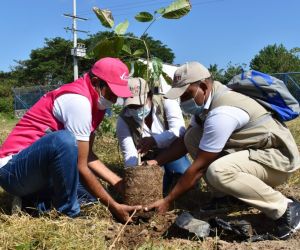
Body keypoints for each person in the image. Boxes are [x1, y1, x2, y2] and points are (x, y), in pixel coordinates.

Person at [144, 61, 300, 239]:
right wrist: (156, 162)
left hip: (279, 161)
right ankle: (225, 196)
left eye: (185, 95)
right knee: (192, 136)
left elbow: (200, 168)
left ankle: (285, 208)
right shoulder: (209, 101)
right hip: (257, 153)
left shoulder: (222, 112)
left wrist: (168, 200)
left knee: (218, 172)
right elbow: (183, 143)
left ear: (203, 86)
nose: (182, 102)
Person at [0, 57, 141, 223]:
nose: (115, 100)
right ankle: (69, 214)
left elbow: (86, 155)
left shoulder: (96, 104)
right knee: (64, 140)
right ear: (96, 82)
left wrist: (117, 182)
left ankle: (32, 202)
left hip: (38, 172)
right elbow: (80, 165)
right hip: (13, 171)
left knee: (91, 197)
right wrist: (113, 206)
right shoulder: (78, 101)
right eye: (111, 93)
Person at [116, 77, 190, 194]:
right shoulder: (124, 119)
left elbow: (179, 131)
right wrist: (134, 176)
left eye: (139, 105)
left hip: (171, 151)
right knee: (155, 187)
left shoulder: (166, 102)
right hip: (148, 157)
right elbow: (129, 153)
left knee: (183, 175)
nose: (135, 110)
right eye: (131, 107)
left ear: (149, 96)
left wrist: (154, 140)